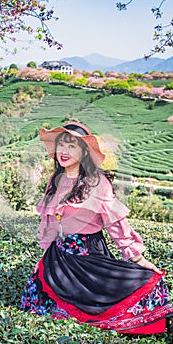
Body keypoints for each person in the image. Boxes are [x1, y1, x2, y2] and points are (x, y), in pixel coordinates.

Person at [20, 122, 172, 334]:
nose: (64, 151)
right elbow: (50, 223)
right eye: (61, 145)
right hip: (58, 256)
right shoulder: (55, 180)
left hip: (89, 255)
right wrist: (43, 256)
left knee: (124, 292)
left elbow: (115, 223)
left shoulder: (97, 182)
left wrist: (139, 259)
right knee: (37, 300)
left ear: (84, 152)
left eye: (72, 146)